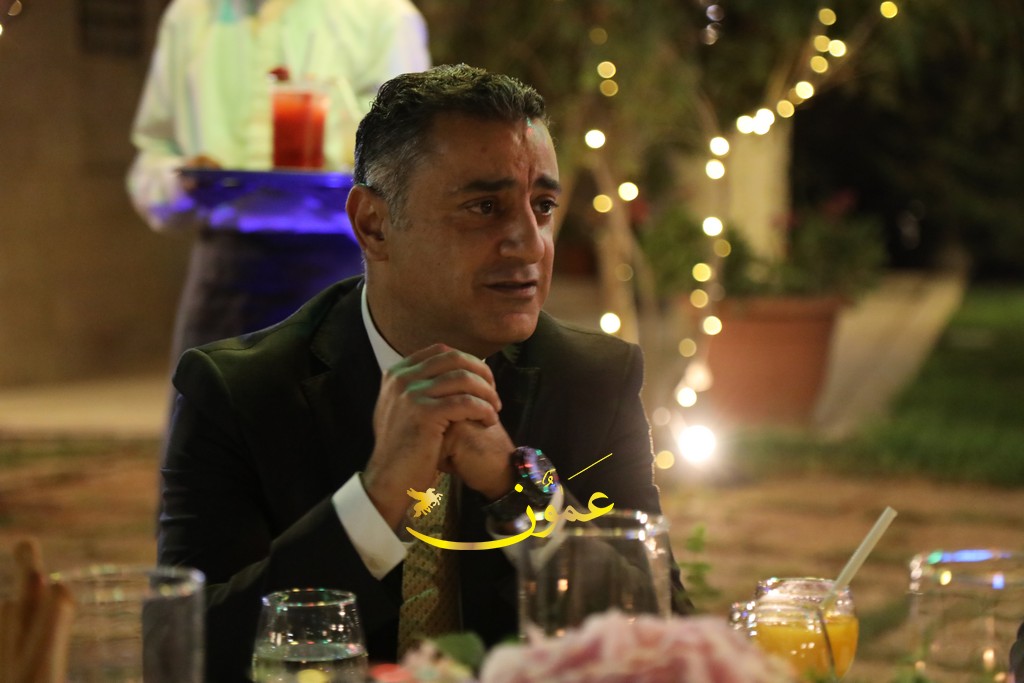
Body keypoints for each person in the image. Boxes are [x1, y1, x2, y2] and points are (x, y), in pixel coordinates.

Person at [158, 64, 691, 681]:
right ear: (374, 224)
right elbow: (182, 656)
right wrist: (376, 498)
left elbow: (665, 632)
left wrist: (519, 488)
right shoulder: (240, 393)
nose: (529, 243)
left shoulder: (592, 380)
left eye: (542, 206)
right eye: (484, 207)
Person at [126, 0, 430, 361]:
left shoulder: (382, 15)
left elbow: (411, 157)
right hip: (225, 265)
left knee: (346, 396)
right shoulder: (190, 15)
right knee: (206, 395)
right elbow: (154, 152)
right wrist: (182, 183)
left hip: (344, 262)